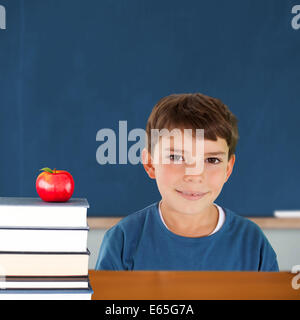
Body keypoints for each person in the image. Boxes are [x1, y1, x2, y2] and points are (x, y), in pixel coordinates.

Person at [95, 93, 279, 271]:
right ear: (150, 163)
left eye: (212, 160)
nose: (194, 175)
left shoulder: (253, 244)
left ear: (228, 169)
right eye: (175, 157)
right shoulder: (123, 241)